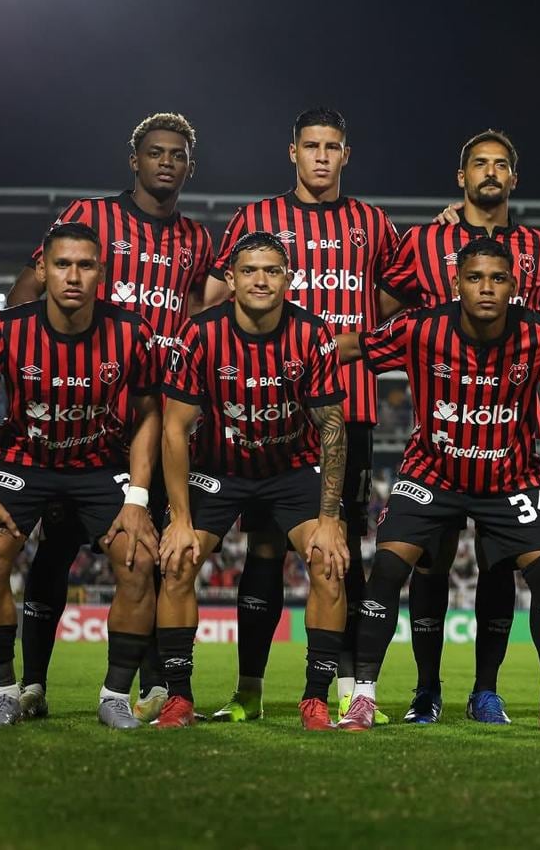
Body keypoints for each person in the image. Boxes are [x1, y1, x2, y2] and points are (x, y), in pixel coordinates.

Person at [4, 112, 217, 722]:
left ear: (189, 166)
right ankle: (32, 684)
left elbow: (200, 311)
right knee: (55, 551)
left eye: (178, 154)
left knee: (146, 553)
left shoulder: (198, 240)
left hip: (154, 424)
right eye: (155, 152)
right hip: (83, 419)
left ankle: (151, 687)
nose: (166, 162)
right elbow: (26, 293)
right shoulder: (90, 216)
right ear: (135, 160)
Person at [378, 130, 540, 725]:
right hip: (440, 437)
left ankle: (486, 691)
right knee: (430, 561)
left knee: (500, 566)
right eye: (479, 164)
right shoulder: (424, 241)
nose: (490, 173)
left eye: (501, 164)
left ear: (513, 178)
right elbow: (379, 312)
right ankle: (426, 690)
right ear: (462, 176)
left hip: (509, 440)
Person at [332, 238, 540, 733]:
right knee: (388, 568)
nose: (486, 288)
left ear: (514, 285)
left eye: (498, 278)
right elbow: (351, 346)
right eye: (475, 277)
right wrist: (277, 355)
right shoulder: (420, 328)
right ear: (456, 283)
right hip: (432, 474)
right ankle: (364, 697)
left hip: (510, 478)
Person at [207, 107, 398, 725]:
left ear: (346, 154)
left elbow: (400, 294)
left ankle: (347, 690)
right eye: (311, 146)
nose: (321, 156)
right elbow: (214, 301)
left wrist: (356, 342)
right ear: (293, 151)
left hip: (348, 410)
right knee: (264, 549)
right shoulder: (255, 219)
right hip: (265, 413)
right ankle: (249, 691)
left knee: (342, 549)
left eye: (331, 146)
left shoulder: (373, 223)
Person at [0, 222, 162, 729]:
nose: (73, 276)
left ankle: (115, 696)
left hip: (98, 463)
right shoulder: (2, 330)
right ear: (42, 269)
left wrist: (137, 499)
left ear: (101, 273)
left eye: (85, 265)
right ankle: (4, 694)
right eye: (62, 264)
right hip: (24, 462)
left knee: (138, 558)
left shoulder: (132, 332)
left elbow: (149, 414)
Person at [156, 232, 350, 730]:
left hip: (290, 469)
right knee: (177, 560)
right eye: (249, 270)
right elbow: (174, 428)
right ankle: (178, 697)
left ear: (289, 279)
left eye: (272, 270)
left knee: (329, 561)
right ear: (231, 278)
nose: (260, 280)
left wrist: (330, 519)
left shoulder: (313, 334)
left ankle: (315, 699)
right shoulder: (199, 334)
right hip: (221, 469)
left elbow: (332, 426)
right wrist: (179, 520)